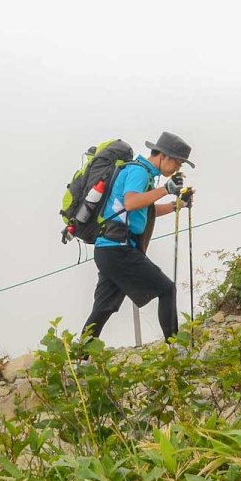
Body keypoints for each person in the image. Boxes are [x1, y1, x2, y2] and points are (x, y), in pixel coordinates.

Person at [81, 131, 195, 344]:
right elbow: (131, 203)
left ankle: (81, 360)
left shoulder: (145, 175)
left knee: (103, 307)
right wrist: (166, 189)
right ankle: (177, 349)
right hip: (118, 248)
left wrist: (177, 205)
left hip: (109, 248)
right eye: (178, 163)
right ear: (164, 156)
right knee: (166, 289)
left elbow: (145, 210)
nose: (177, 169)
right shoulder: (139, 171)